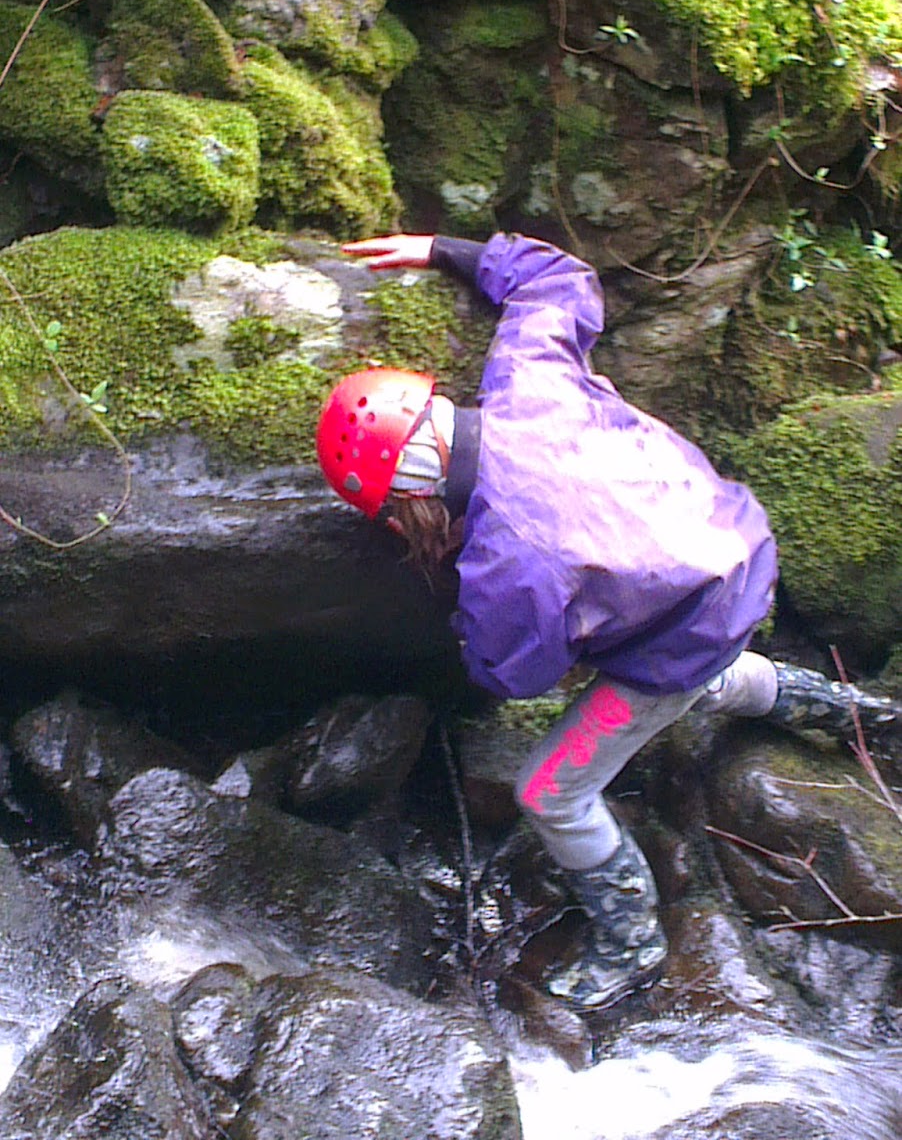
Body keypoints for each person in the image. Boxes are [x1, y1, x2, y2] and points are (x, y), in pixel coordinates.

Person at [316, 230, 898, 1012]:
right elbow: (553, 279)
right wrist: (443, 248)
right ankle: (855, 711)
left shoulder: (508, 562)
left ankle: (632, 943)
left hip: (678, 631)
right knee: (701, 671)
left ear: (411, 503)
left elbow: (512, 675)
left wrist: (463, 601)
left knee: (550, 790)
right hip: (728, 546)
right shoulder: (527, 377)